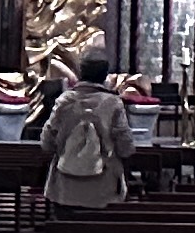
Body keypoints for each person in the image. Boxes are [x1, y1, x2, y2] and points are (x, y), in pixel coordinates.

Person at [38, 51, 131, 211]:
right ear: (104, 76)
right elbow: (125, 145)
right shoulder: (112, 103)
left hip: (65, 185)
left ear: (80, 73)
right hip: (103, 186)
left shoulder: (65, 101)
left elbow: (47, 141)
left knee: (66, 223)